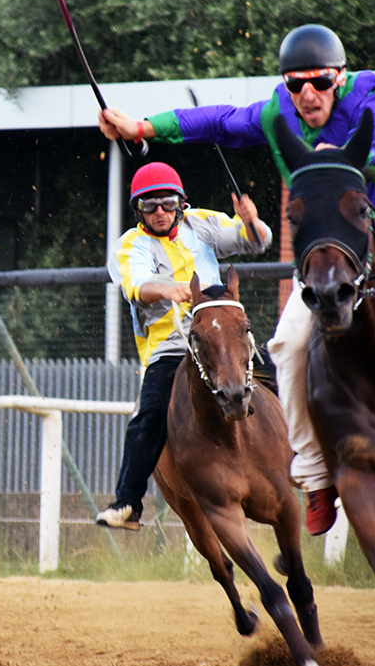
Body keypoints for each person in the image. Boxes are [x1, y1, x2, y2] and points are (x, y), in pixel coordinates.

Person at [97, 24, 375, 536]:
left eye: (317, 82)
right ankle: (314, 474)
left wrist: (327, 158)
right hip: (336, 242)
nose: (306, 94)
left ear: (339, 77)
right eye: (295, 85)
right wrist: (141, 128)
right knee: (287, 342)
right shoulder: (281, 112)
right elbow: (222, 121)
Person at [95, 162, 272, 530]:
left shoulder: (201, 223)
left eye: (167, 203)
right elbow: (137, 286)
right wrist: (168, 288)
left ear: (181, 203)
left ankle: (315, 469)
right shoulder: (128, 245)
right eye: (149, 205)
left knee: (283, 373)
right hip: (170, 349)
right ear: (138, 210)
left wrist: (252, 221)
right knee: (150, 415)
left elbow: (256, 242)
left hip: (221, 337)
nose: (159, 212)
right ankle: (128, 502)